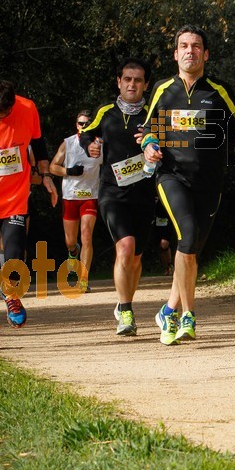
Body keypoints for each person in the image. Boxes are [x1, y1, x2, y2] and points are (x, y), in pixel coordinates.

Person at [139, 25, 235, 346]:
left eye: (196, 46)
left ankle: (168, 309)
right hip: (171, 177)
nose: (190, 51)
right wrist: (148, 145)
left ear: (206, 53)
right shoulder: (162, 90)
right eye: (184, 46)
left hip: (209, 184)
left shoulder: (218, 91)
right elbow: (148, 129)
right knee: (185, 239)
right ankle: (186, 315)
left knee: (190, 252)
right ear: (175, 54)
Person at [0, 78, 57, 350]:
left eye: (6, 113)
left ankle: (11, 293)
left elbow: (39, 144)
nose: (3, 119)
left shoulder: (27, 108)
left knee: (15, 257)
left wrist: (46, 175)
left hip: (14, 198)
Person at [80, 58, 155, 336]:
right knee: (124, 247)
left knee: (135, 258)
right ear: (119, 82)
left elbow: (172, 141)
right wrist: (91, 146)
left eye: (138, 80)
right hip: (112, 192)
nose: (132, 84)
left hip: (145, 192)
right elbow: (85, 134)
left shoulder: (152, 114)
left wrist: (154, 145)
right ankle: (125, 311)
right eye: (127, 79)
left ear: (146, 84)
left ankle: (126, 302)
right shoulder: (106, 112)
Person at [49, 109, 101, 292]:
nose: (84, 127)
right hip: (70, 196)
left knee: (86, 235)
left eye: (87, 123)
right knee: (70, 241)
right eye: (81, 123)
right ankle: (73, 251)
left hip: (90, 196)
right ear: (76, 125)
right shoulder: (68, 143)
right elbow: (52, 166)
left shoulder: (99, 144)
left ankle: (84, 279)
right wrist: (69, 171)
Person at [153, 196, 175, 275]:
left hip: (167, 221)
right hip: (156, 222)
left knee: (164, 244)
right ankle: (167, 268)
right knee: (160, 247)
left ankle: (170, 265)